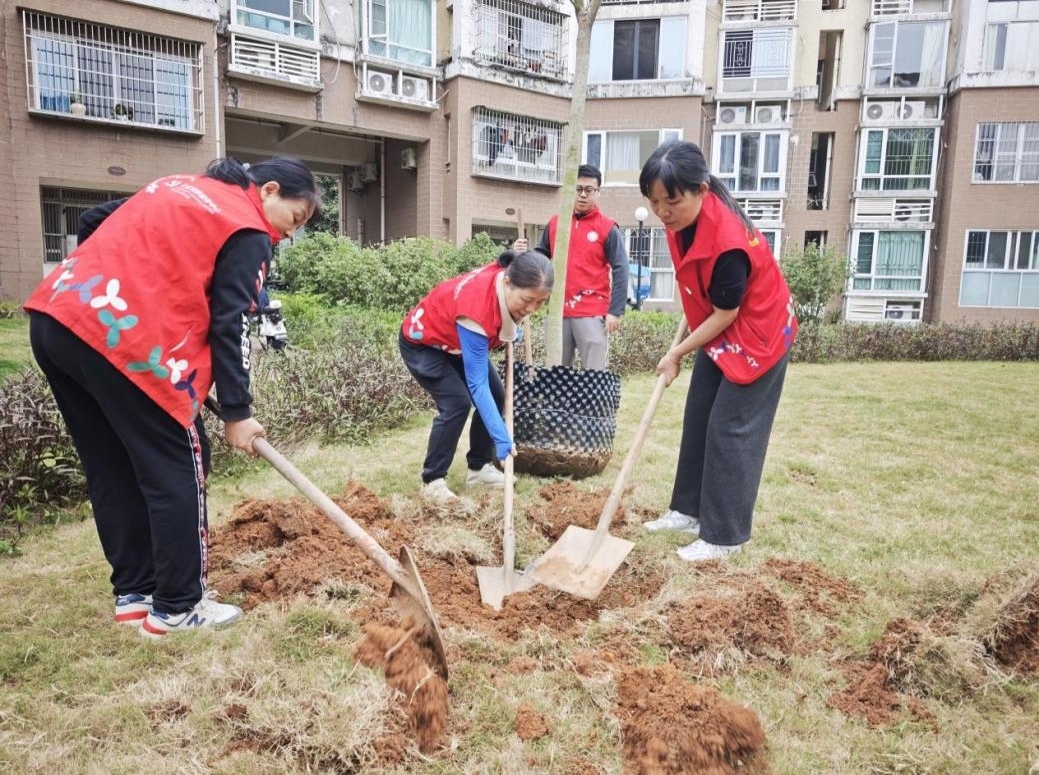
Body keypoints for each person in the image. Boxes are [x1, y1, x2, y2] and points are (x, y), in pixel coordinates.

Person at [24, 156, 320, 636]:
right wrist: (238, 413)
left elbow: (93, 220)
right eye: (295, 218)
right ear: (268, 190)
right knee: (180, 468)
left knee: (112, 465)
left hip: (57, 318)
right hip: (127, 342)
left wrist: (133, 283)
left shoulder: (176, 186)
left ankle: (135, 593)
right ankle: (179, 607)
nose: (287, 234)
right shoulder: (248, 229)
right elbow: (231, 324)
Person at [637, 141, 797, 562]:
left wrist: (676, 354)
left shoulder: (728, 242)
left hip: (759, 334)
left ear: (701, 191)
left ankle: (724, 536)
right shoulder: (684, 222)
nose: (662, 211)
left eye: (671, 201)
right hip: (721, 326)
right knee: (700, 415)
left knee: (731, 428)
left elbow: (727, 313)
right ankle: (687, 511)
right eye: (654, 202)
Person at [399, 250, 554, 504]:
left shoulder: (509, 275)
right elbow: (477, 383)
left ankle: (478, 468)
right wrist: (501, 436)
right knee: (456, 403)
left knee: (497, 396)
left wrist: (511, 328)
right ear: (507, 283)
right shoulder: (476, 308)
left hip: (455, 341)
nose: (531, 309)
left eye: (540, 302)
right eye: (527, 300)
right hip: (424, 343)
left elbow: (506, 263)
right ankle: (433, 481)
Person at [514, 164, 629, 370]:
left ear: (598, 192)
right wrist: (523, 254)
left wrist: (615, 311)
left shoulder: (608, 228)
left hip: (592, 311)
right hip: (558, 312)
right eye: (578, 189)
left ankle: (593, 394)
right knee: (556, 372)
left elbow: (621, 268)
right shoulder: (556, 223)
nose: (582, 195)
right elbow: (540, 257)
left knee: (594, 374)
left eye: (589, 190)